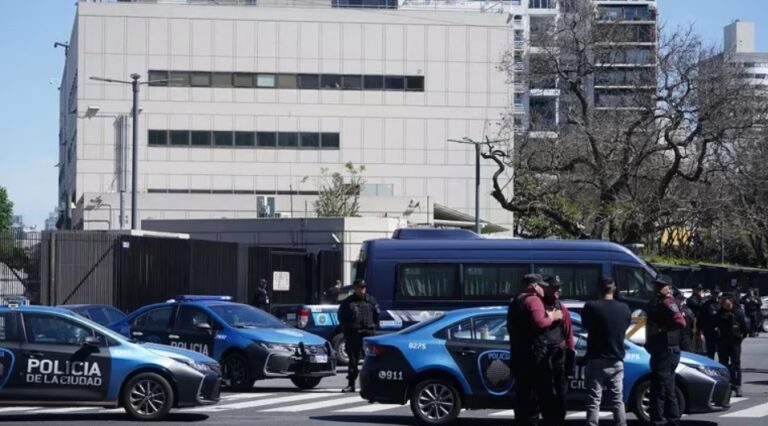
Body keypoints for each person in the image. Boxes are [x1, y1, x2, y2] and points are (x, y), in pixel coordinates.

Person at [507, 274, 563, 426]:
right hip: (534, 357)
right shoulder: (533, 300)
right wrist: (552, 317)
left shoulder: (515, 301)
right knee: (541, 396)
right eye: (541, 286)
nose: (543, 289)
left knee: (523, 397)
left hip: (518, 356)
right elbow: (540, 323)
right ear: (533, 286)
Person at [582, 276, 631, 426]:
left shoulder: (591, 307)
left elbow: (586, 326)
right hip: (616, 359)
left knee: (594, 400)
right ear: (614, 289)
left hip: (596, 358)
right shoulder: (624, 308)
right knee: (617, 400)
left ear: (598, 289)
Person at [645, 276, 687, 426]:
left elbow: (681, 322)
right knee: (667, 385)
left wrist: (662, 328)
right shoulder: (655, 301)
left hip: (666, 350)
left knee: (660, 387)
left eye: (660, 285)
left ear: (668, 287)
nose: (657, 287)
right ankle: (672, 419)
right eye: (656, 285)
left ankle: (658, 420)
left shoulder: (668, 302)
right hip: (659, 349)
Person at [540, 275, 575, 426]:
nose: (558, 289)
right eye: (555, 287)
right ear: (546, 288)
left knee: (561, 395)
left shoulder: (562, 309)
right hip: (542, 358)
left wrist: (571, 355)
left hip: (559, 358)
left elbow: (569, 335)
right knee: (545, 395)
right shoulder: (538, 307)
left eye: (559, 286)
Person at [338, 279, 380, 393]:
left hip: (368, 334)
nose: (362, 289)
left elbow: (377, 316)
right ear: (355, 288)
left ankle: (371, 386)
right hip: (354, 334)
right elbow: (341, 318)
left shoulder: (371, 300)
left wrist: (373, 329)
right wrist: (348, 331)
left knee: (371, 360)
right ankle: (351, 384)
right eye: (360, 287)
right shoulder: (347, 302)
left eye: (363, 287)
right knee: (353, 361)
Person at [716, 293, 749, 397]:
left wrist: (739, 338)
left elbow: (745, 329)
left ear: (730, 300)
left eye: (724, 300)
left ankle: (737, 386)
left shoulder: (738, 312)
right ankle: (726, 386)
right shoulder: (719, 313)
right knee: (723, 364)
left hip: (735, 343)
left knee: (735, 364)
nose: (722, 302)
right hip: (722, 342)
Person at [698, 287, 721, 359]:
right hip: (709, 331)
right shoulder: (706, 305)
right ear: (711, 293)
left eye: (717, 293)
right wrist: (700, 331)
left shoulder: (722, 304)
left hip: (721, 331)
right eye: (714, 293)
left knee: (722, 351)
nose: (715, 295)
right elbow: (701, 318)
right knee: (710, 351)